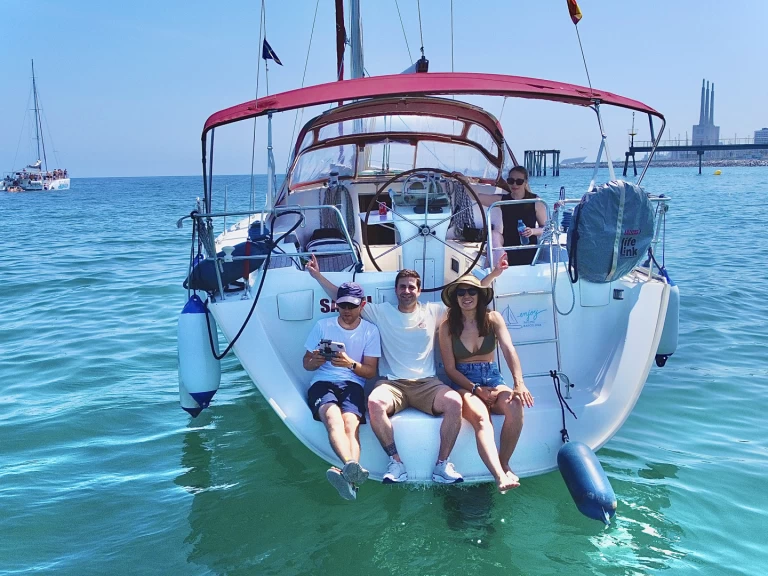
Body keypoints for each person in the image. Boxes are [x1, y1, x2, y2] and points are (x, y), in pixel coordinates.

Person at [306, 254, 507, 485]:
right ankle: (396, 462)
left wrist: (493, 276)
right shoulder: (380, 312)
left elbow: (468, 297)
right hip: (392, 383)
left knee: (454, 402)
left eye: (411, 287)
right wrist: (317, 276)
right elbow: (341, 298)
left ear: (418, 291)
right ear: (396, 290)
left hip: (427, 383)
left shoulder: (434, 311)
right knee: (374, 403)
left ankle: (442, 465)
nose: (407, 291)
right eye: (402, 287)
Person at [438, 274, 534, 493]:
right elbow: (450, 369)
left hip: (493, 377)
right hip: (464, 382)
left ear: (480, 295)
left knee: (515, 405)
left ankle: (505, 462)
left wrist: (519, 383)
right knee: (482, 418)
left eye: (471, 291)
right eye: (461, 292)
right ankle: (499, 476)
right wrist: (475, 389)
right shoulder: (446, 327)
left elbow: (509, 350)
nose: (466, 296)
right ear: (455, 298)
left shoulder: (493, 319)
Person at [303, 282, 381, 501]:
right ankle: (350, 469)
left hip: (353, 384)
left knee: (350, 425)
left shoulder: (370, 331)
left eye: (352, 306)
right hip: (322, 381)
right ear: (336, 304)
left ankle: (348, 478)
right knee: (333, 418)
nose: (347, 310)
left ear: (362, 305)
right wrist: (316, 361)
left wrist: (349, 364)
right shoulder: (323, 326)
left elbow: (370, 372)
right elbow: (306, 364)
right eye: (343, 305)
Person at [480, 166, 548, 266]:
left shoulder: (535, 201)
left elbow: (546, 228)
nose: (514, 184)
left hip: (527, 250)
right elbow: (477, 197)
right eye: (511, 181)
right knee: (494, 234)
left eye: (519, 181)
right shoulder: (503, 200)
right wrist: (465, 183)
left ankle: (496, 269)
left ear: (525, 182)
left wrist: (532, 231)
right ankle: (499, 266)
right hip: (507, 248)